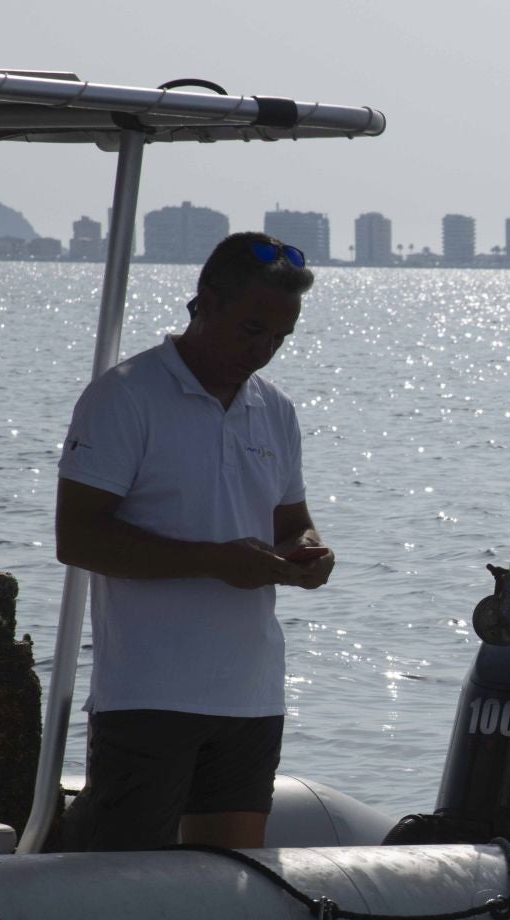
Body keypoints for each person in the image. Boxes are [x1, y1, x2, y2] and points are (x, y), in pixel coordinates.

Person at [54, 232, 333, 851]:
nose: (263, 352)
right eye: (250, 331)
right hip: (148, 695)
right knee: (124, 885)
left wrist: (310, 552)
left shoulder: (275, 409)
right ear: (205, 302)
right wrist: (214, 562)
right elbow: (77, 539)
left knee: (229, 891)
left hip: (250, 696)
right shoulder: (124, 396)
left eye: (280, 339)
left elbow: (292, 524)